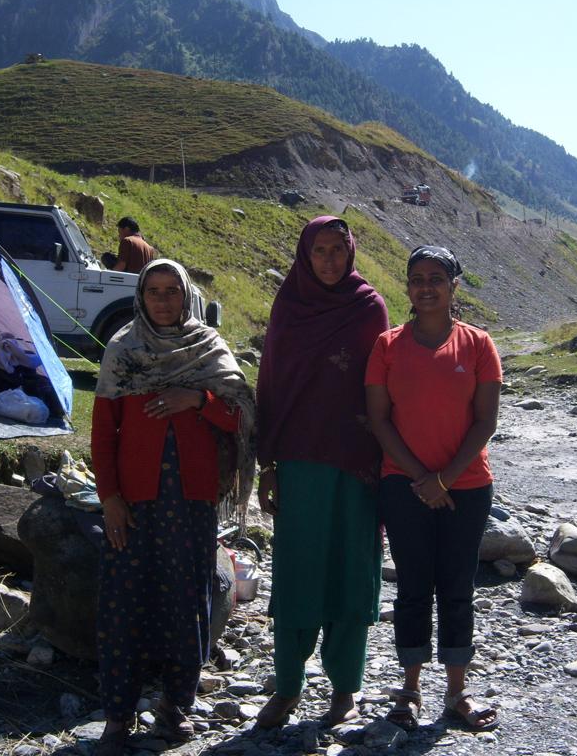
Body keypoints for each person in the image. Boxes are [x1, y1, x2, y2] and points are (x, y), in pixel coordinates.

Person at [90, 258, 255, 754]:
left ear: (187, 295)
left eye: (172, 291)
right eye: (154, 291)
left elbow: (240, 417)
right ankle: (117, 717)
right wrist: (110, 499)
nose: (163, 300)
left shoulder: (209, 350)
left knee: (187, 601)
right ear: (141, 297)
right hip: (134, 503)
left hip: (193, 499)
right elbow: (103, 433)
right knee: (124, 604)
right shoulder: (122, 351)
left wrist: (198, 400)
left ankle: (174, 709)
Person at [255, 216, 390, 727]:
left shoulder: (367, 307)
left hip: (358, 462)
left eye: (338, 249)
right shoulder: (290, 305)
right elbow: (271, 382)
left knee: (352, 571)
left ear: (351, 252)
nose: (329, 260)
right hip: (299, 460)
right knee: (297, 571)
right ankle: (288, 686)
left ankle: (345, 688)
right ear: (304, 255)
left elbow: (382, 386)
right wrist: (268, 464)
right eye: (320, 251)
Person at [365, 245, 501, 732]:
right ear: (407, 287)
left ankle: (457, 691)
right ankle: (409, 688)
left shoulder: (478, 344)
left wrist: (443, 479)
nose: (426, 287)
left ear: (453, 286)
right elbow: (380, 421)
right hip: (403, 486)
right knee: (413, 587)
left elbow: (485, 421)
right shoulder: (387, 346)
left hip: (467, 486)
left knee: (458, 588)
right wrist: (424, 479)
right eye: (417, 278)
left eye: (436, 278)